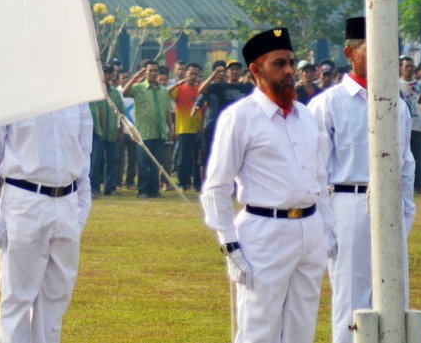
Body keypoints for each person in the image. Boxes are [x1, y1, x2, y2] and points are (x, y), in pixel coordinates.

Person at [201, 27, 331, 343]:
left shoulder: (304, 114)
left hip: (309, 230)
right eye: (279, 63)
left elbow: (320, 178)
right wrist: (230, 245)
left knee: (302, 328)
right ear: (256, 70)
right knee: (259, 328)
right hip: (263, 232)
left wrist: (325, 230)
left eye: (291, 62)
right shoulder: (241, 117)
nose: (289, 71)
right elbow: (216, 187)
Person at [308, 17, 416, 343]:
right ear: (350, 53)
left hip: (390, 205)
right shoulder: (328, 104)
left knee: (394, 295)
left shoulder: (396, 104)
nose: (384, 56)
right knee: (352, 295)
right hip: (347, 203)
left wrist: (405, 214)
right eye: (373, 48)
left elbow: (406, 166)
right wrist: (323, 225)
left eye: (389, 49)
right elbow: (313, 170)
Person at [0, 104, 92, 343]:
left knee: (56, 297)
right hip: (25, 199)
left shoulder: (76, 97)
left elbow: (83, 151)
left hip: (66, 201)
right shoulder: (10, 92)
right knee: (17, 296)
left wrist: (82, 205)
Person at [122, 60, 170, 198]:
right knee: (143, 164)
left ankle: (154, 191)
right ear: (145, 72)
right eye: (151, 71)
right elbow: (125, 92)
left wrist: (170, 129)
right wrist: (137, 76)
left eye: (156, 71)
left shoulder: (163, 91)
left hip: (159, 131)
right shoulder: (138, 88)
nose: (154, 73)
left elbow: (166, 111)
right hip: (144, 133)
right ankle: (142, 191)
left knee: (156, 164)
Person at [89, 65, 125, 196]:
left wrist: (121, 129)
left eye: (110, 73)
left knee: (113, 160)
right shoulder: (95, 91)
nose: (108, 75)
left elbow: (121, 111)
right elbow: (98, 111)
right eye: (106, 72)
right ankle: (94, 188)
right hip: (98, 132)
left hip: (112, 133)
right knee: (96, 161)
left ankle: (110, 187)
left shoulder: (115, 92)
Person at [168, 62, 204, 191]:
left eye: (195, 74)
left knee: (198, 160)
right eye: (190, 73)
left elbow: (205, 110)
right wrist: (178, 83)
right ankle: (183, 182)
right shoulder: (179, 89)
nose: (193, 76)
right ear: (186, 74)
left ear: (199, 75)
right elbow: (166, 93)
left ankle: (198, 184)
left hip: (198, 130)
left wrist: (202, 127)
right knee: (183, 159)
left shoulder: (201, 90)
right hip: (183, 129)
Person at [400, 56, 421, 193]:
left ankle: (417, 185)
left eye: (411, 66)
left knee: (418, 157)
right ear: (401, 68)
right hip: (401, 126)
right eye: (406, 66)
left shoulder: (420, 85)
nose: (409, 69)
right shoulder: (396, 84)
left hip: (417, 124)